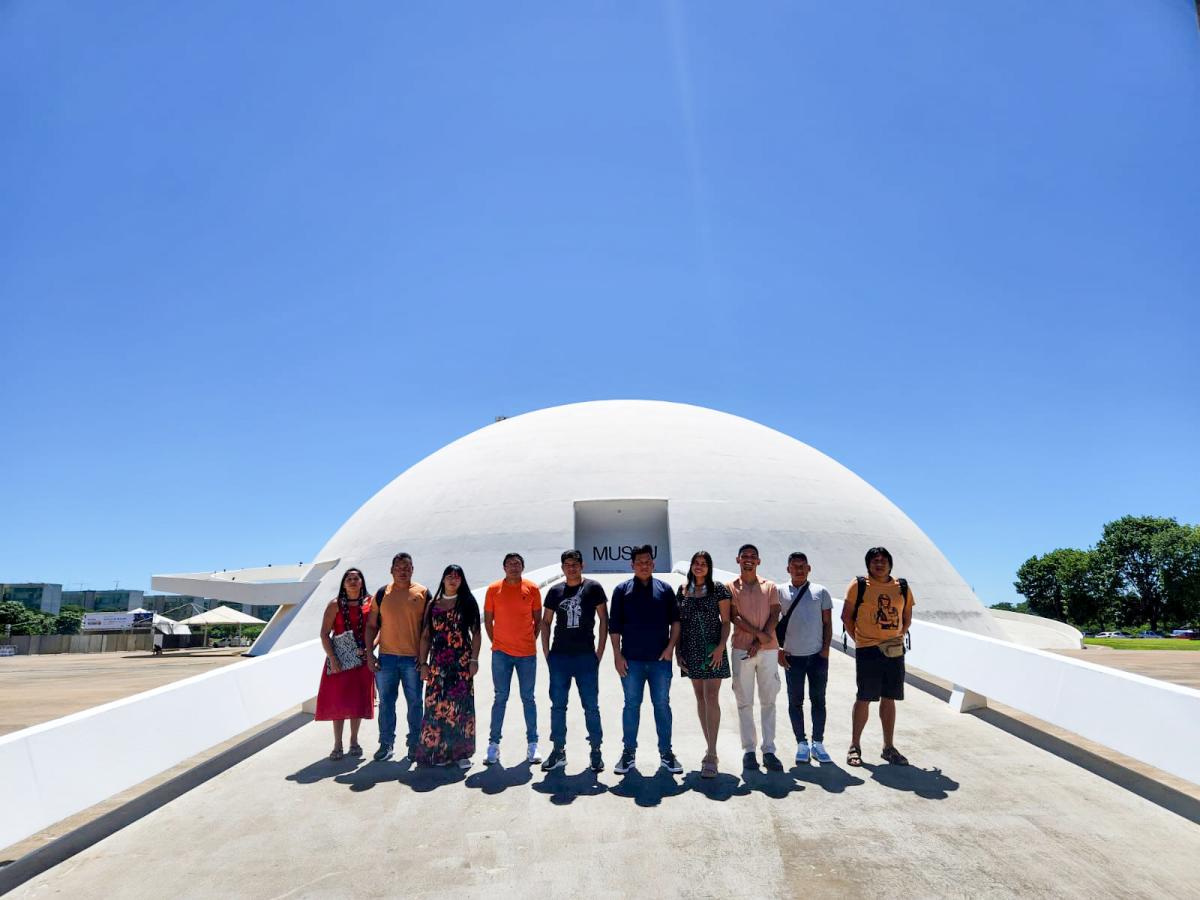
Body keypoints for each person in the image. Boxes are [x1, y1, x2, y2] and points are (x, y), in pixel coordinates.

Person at [609, 544, 683, 775]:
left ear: (653, 564)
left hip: (660, 661)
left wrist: (670, 648)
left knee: (662, 706)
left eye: (648, 562)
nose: (644, 565)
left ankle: (666, 753)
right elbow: (614, 627)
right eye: (639, 562)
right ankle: (628, 753)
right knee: (631, 706)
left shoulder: (665, 589)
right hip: (631, 662)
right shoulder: (621, 591)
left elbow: (676, 622)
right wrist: (617, 655)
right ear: (632, 565)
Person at [841, 546, 915, 768]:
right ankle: (855, 745)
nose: (879, 564)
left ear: (890, 564)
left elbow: (907, 617)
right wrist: (860, 640)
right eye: (875, 561)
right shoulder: (859, 585)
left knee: (889, 697)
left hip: (894, 650)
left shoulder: (902, 587)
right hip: (868, 649)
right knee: (864, 697)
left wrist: (897, 637)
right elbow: (846, 616)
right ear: (868, 565)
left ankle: (888, 747)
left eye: (883, 560)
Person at [540, 549, 608, 772]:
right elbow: (546, 622)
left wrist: (600, 651)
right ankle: (558, 750)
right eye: (567, 564)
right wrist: (547, 652)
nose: (571, 568)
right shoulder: (555, 591)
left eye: (575, 564)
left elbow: (604, 619)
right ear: (562, 568)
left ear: (582, 565)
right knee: (558, 707)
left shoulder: (593, 588)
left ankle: (596, 751)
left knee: (591, 707)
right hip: (559, 657)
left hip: (586, 657)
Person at [413, 565, 481, 768]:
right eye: (449, 576)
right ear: (443, 579)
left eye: (457, 577)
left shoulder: (467, 602)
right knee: (436, 707)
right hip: (437, 663)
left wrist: (474, 660)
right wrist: (423, 663)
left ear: (462, 580)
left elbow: (476, 633)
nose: (453, 579)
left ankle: (461, 754)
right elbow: (426, 635)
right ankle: (439, 753)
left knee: (460, 707)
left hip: (461, 663)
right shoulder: (433, 604)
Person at [365, 552, 431, 761]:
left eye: (406, 567)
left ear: (412, 569)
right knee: (386, 703)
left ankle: (415, 744)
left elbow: (428, 630)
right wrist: (369, 654)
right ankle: (386, 744)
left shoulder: (423, 593)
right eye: (398, 568)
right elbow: (372, 626)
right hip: (387, 659)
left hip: (413, 660)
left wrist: (424, 660)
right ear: (391, 570)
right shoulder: (382, 593)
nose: (403, 571)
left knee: (415, 703)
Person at [675, 550, 731, 778]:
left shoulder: (718, 589)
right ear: (691, 566)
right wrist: (678, 651)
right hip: (691, 649)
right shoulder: (683, 590)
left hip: (712, 649)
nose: (699, 566)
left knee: (711, 696)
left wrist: (721, 647)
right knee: (700, 697)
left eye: (704, 564)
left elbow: (725, 621)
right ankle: (709, 747)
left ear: (709, 568)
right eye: (696, 563)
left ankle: (712, 754)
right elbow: (678, 623)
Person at [727, 543, 783, 771]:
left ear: (758, 561)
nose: (748, 559)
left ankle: (769, 750)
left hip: (768, 650)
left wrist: (759, 642)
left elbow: (775, 613)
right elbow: (734, 616)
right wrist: (758, 636)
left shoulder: (770, 586)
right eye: (745, 556)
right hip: (742, 649)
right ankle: (749, 750)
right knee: (744, 701)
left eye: (753, 556)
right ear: (738, 560)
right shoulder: (730, 587)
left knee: (769, 700)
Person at [484, 552, 543, 766]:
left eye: (517, 564)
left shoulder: (532, 588)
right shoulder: (493, 589)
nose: (514, 567)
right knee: (500, 697)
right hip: (501, 654)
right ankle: (493, 744)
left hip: (526, 654)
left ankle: (533, 743)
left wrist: (528, 640)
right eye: (510, 564)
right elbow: (488, 620)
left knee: (528, 698)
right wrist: (498, 642)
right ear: (504, 567)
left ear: (522, 567)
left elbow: (537, 620)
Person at [777, 552, 834, 765]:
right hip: (792, 657)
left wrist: (825, 649)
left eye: (802, 566)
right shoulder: (780, 591)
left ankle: (818, 743)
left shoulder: (821, 592)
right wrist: (778, 649)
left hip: (817, 656)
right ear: (788, 569)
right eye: (794, 566)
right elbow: (772, 621)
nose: (799, 570)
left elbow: (827, 623)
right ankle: (801, 742)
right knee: (795, 701)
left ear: (809, 568)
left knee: (818, 700)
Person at [315, 568, 376, 760]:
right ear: (343, 583)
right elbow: (324, 633)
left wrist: (370, 648)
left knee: (357, 700)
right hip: (340, 659)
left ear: (362, 581)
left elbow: (378, 628)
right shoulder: (335, 605)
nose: (352, 581)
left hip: (362, 659)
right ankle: (337, 743)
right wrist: (332, 658)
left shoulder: (371, 603)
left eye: (356, 578)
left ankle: (354, 740)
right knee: (339, 701)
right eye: (348, 578)